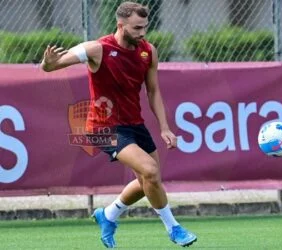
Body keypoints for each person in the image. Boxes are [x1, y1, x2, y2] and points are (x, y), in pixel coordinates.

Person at [40, 1, 197, 249]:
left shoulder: (148, 51)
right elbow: (54, 65)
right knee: (150, 171)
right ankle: (174, 228)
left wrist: (165, 127)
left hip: (134, 124)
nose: (142, 33)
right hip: (103, 128)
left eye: (145, 27)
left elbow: (153, 91)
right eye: (136, 28)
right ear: (120, 25)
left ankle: (108, 215)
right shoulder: (97, 49)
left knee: (149, 182)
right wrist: (49, 63)